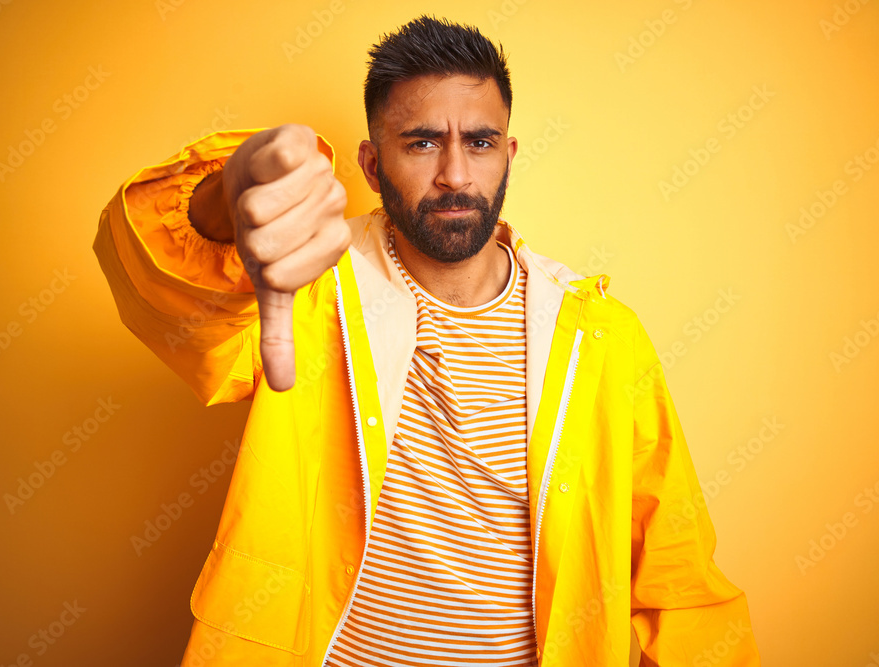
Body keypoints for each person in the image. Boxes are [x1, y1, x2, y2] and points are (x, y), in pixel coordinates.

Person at [93, 14, 761, 667]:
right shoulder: (309, 286)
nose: (455, 176)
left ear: (509, 154)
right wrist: (221, 201)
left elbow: (678, 584)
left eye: (478, 142)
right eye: (419, 143)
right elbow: (168, 287)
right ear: (371, 162)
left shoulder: (602, 337)